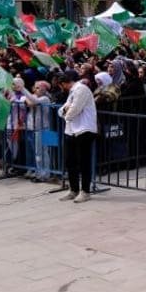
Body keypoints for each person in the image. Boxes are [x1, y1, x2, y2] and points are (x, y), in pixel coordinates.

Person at [58, 70, 98, 203]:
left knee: (84, 162)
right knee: (70, 161)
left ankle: (85, 191)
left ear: (65, 83)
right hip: (71, 130)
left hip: (84, 129)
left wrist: (66, 113)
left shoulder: (81, 89)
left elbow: (74, 110)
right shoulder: (72, 92)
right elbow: (62, 110)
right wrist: (65, 111)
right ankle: (73, 189)